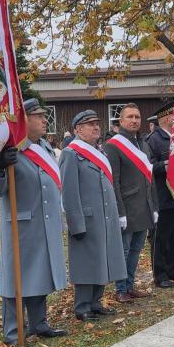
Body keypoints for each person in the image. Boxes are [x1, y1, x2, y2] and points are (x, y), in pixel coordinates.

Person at [0, 99, 67, 345]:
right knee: (15, 279)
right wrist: (0, 168)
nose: (44, 120)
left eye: (44, 115)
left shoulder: (43, 147)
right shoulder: (9, 149)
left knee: (40, 273)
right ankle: (13, 331)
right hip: (20, 225)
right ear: (24, 120)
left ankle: (39, 323)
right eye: (38, 116)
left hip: (45, 223)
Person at [60, 110, 126, 321]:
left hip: (105, 216)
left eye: (97, 123)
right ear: (78, 129)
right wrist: (75, 223)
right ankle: (82, 306)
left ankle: (96, 302)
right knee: (86, 262)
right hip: (87, 218)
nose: (96, 127)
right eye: (90, 124)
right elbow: (69, 193)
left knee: (103, 259)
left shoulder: (99, 151)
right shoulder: (71, 154)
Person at [103, 103, 158, 303]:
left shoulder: (143, 143)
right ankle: (120, 289)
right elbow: (114, 181)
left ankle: (129, 285)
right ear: (121, 121)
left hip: (144, 206)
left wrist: (154, 206)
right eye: (130, 117)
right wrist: (120, 212)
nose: (134, 120)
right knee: (124, 251)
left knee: (136, 250)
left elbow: (150, 178)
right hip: (126, 207)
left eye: (137, 117)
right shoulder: (113, 145)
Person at [147, 102, 174, 288]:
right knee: (161, 238)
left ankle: (172, 269)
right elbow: (148, 166)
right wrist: (164, 165)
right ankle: (160, 274)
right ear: (166, 118)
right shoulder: (153, 140)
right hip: (162, 196)